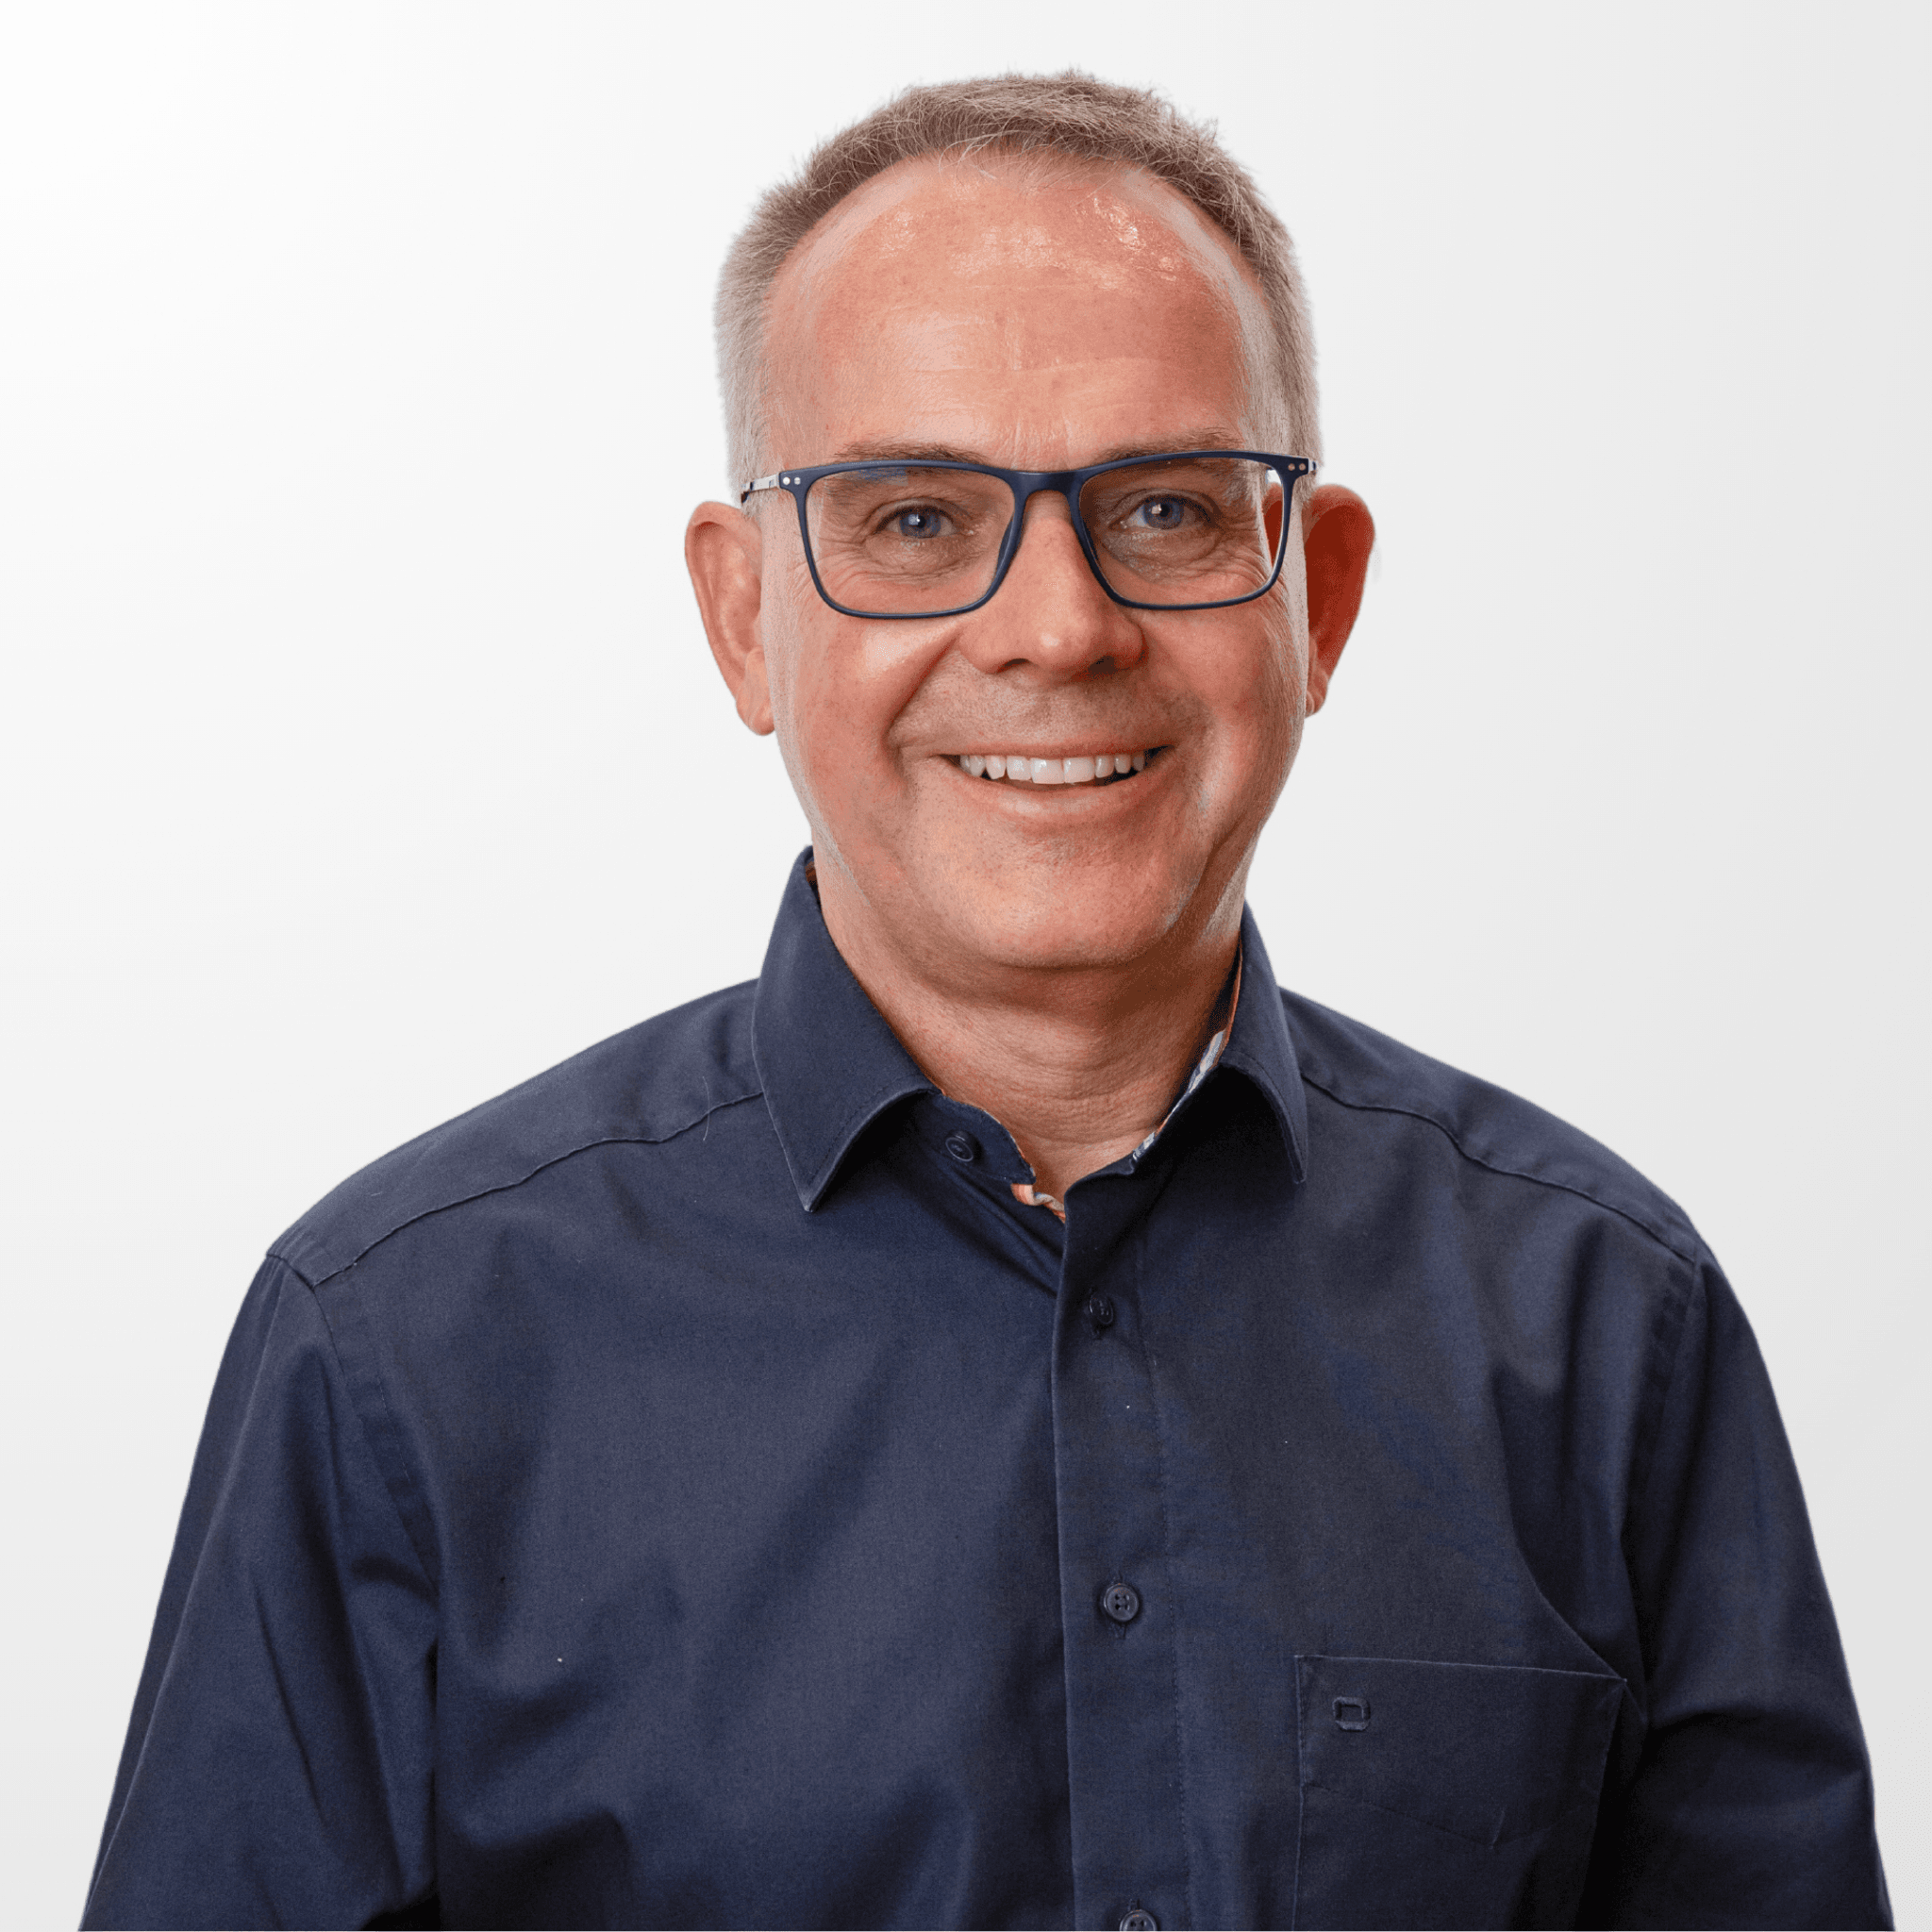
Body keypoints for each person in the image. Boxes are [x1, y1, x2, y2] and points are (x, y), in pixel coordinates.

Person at [82, 72, 1888, 1932]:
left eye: (1166, 509)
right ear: (744, 618)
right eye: (917, 521)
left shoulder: (1605, 1327)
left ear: (1320, 600)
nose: (1056, 628)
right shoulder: (396, 1349)